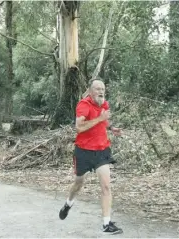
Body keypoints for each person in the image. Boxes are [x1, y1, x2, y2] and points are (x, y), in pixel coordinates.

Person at [58, 79, 123, 235]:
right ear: (90, 91)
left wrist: (112, 128)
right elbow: (79, 128)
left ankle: (106, 224)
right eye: (97, 89)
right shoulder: (83, 105)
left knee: (106, 187)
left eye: (102, 89)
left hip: (101, 151)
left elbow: (105, 120)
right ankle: (68, 203)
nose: (101, 91)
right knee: (79, 183)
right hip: (83, 152)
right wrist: (99, 119)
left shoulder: (104, 104)